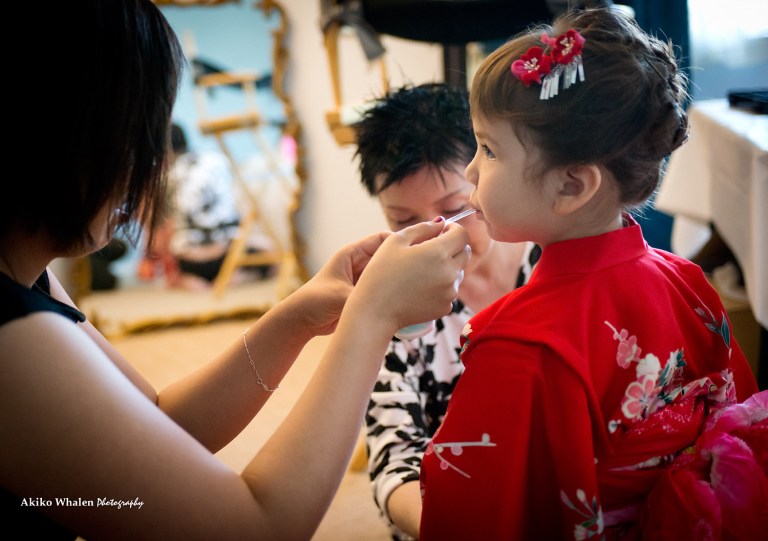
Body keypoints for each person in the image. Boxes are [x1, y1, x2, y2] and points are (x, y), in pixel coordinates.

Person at [0, 1, 471, 539]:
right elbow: (252, 528)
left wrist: (298, 313)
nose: (150, 166)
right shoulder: (11, 339)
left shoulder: (29, 278)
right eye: (137, 135)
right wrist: (372, 316)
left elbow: (158, 420)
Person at [418, 7, 765, 540]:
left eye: (488, 150)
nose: (470, 171)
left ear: (572, 185)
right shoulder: (690, 284)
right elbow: (739, 430)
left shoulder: (521, 344)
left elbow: (474, 515)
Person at [353, 83, 540, 540]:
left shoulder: (553, 265)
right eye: (402, 221)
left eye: (456, 209)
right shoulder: (392, 309)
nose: (436, 236)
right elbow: (393, 462)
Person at [138, 123, 269, 291]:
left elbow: (160, 232)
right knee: (266, 255)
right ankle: (235, 276)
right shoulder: (217, 160)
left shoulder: (166, 178)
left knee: (174, 247)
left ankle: (189, 280)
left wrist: (161, 265)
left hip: (191, 262)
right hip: (229, 256)